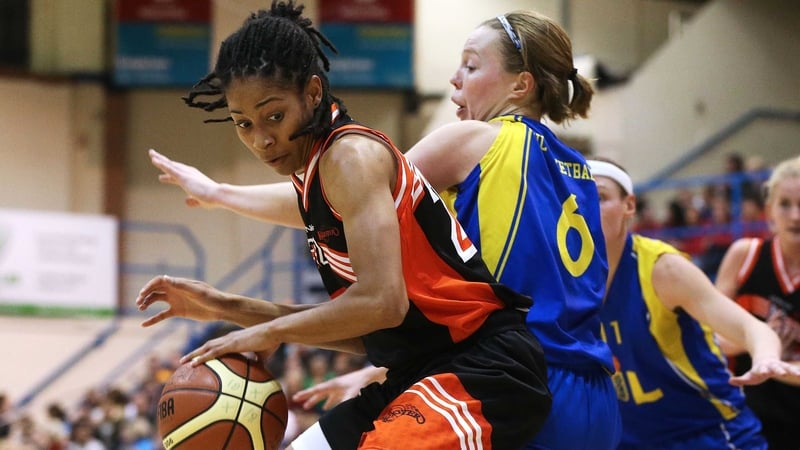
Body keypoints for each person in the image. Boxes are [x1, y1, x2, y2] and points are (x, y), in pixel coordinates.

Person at [147, 8, 621, 449]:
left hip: (497, 365)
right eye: (242, 124)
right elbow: (384, 320)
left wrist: (220, 196)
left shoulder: (386, 154)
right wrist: (233, 307)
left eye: (471, 67)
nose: (261, 138)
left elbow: (379, 296)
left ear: (521, 84)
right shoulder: (578, 169)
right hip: (572, 374)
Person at [589, 157, 800, 449]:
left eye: (599, 196)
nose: (585, 206)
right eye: (575, 195)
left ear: (629, 205)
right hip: (631, 439)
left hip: (705, 435)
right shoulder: (563, 279)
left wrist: (765, 357)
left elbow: (750, 328)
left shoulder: (663, 270)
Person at [715, 155, 800, 450]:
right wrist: (762, 342)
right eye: (785, 204)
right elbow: (706, 336)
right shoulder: (745, 255)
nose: (795, 216)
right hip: (747, 412)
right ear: (769, 211)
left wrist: (773, 361)